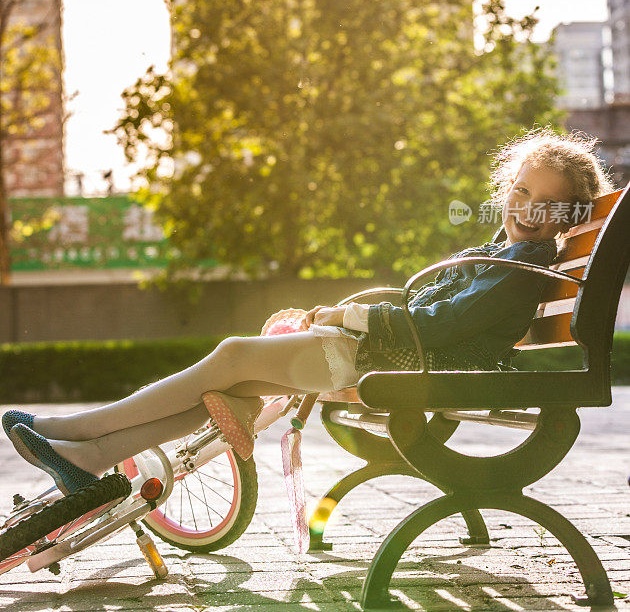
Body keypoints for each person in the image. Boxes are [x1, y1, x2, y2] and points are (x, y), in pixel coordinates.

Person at [2, 129, 614, 496]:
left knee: (232, 356)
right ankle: (86, 457)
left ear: (568, 218)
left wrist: (352, 320)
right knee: (233, 390)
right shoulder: (502, 256)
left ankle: (77, 432)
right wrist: (358, 308)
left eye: (548, 205)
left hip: (389, 359)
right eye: (522, 191)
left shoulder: (517, 272)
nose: (528, 208)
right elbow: (424, 304)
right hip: (389, 352)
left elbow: (441, 324)